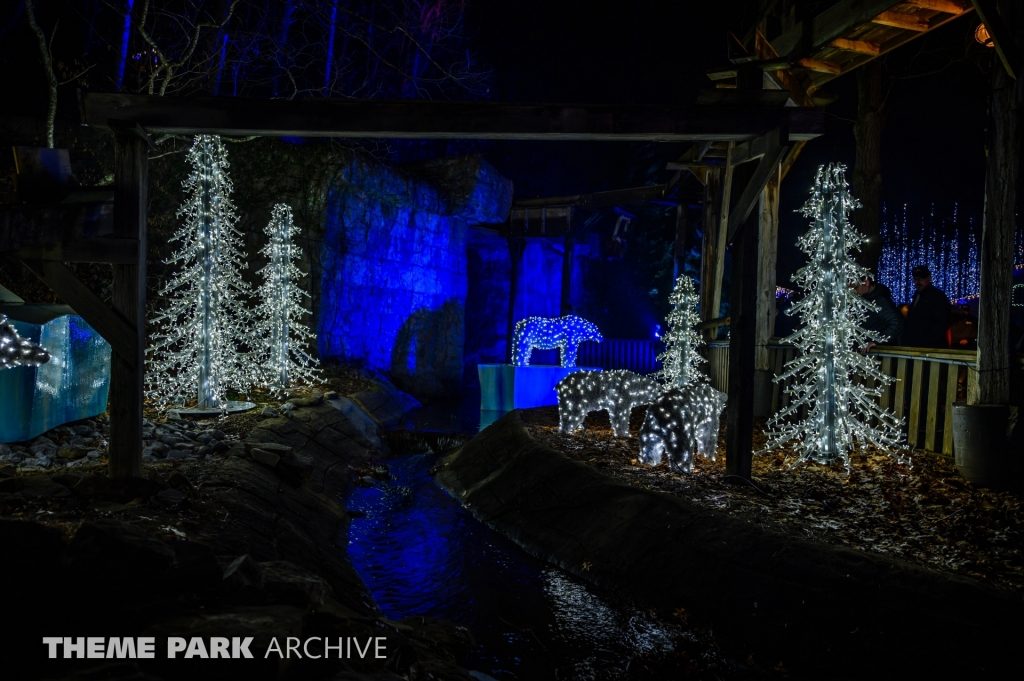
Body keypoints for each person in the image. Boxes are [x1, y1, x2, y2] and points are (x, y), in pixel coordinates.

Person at [900, 265, 952, 348]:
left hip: (930, 346)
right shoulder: (918, 295)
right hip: (920, 344)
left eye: (921, 279)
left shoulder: (937, 296)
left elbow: (942, 322)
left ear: (929, 278)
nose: (918, 282)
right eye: (916, 279)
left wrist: (926, 340)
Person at [854, 275, 903, 353]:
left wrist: (877, 340)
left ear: (866, 282)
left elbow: (897, 323)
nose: (853, 291)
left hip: (878, 354)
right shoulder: (862, 299)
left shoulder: (880, 301)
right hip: (867, 352)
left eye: (855, 287)